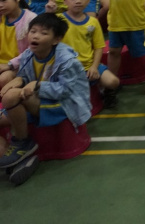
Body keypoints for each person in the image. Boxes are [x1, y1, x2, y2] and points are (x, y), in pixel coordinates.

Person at [0, 12, 90, 172]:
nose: (35, 36)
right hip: (40, 99)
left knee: (12, 96)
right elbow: (26, 76)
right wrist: (19, 80)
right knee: (7, 105)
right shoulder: (29, 54)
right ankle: (18, 160)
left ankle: (23, 142)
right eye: (33, 31)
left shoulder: (67, 61)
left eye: (43, 33)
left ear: (57, 39)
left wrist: (37, 85)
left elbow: (65, 91)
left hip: (65, 104)